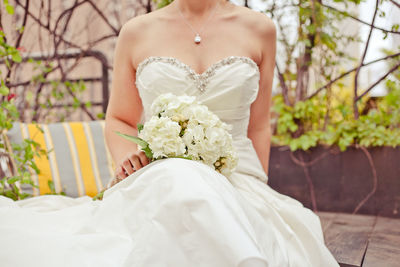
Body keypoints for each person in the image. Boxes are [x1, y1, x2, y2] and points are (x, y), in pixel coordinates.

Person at [0, 1, 339, 266]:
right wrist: (127, 161)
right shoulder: (136, 32)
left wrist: (256, 188)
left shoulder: (260, 28)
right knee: (179, 179)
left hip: (237, 179)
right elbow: (119, 118)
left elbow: (259, 125)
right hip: (158, 175)